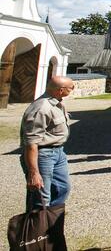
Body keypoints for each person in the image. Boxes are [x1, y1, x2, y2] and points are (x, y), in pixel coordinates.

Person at [20, 76, 74, 212]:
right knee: (41, 196)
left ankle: (50, 221)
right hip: (43, 155)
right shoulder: (41, 108)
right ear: (61, 90)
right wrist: (33, 172)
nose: (73, 90)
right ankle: (36, 228)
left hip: (58, 152)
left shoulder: (57, 103)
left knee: (62, 188)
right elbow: (31, 142)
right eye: (71, 88)